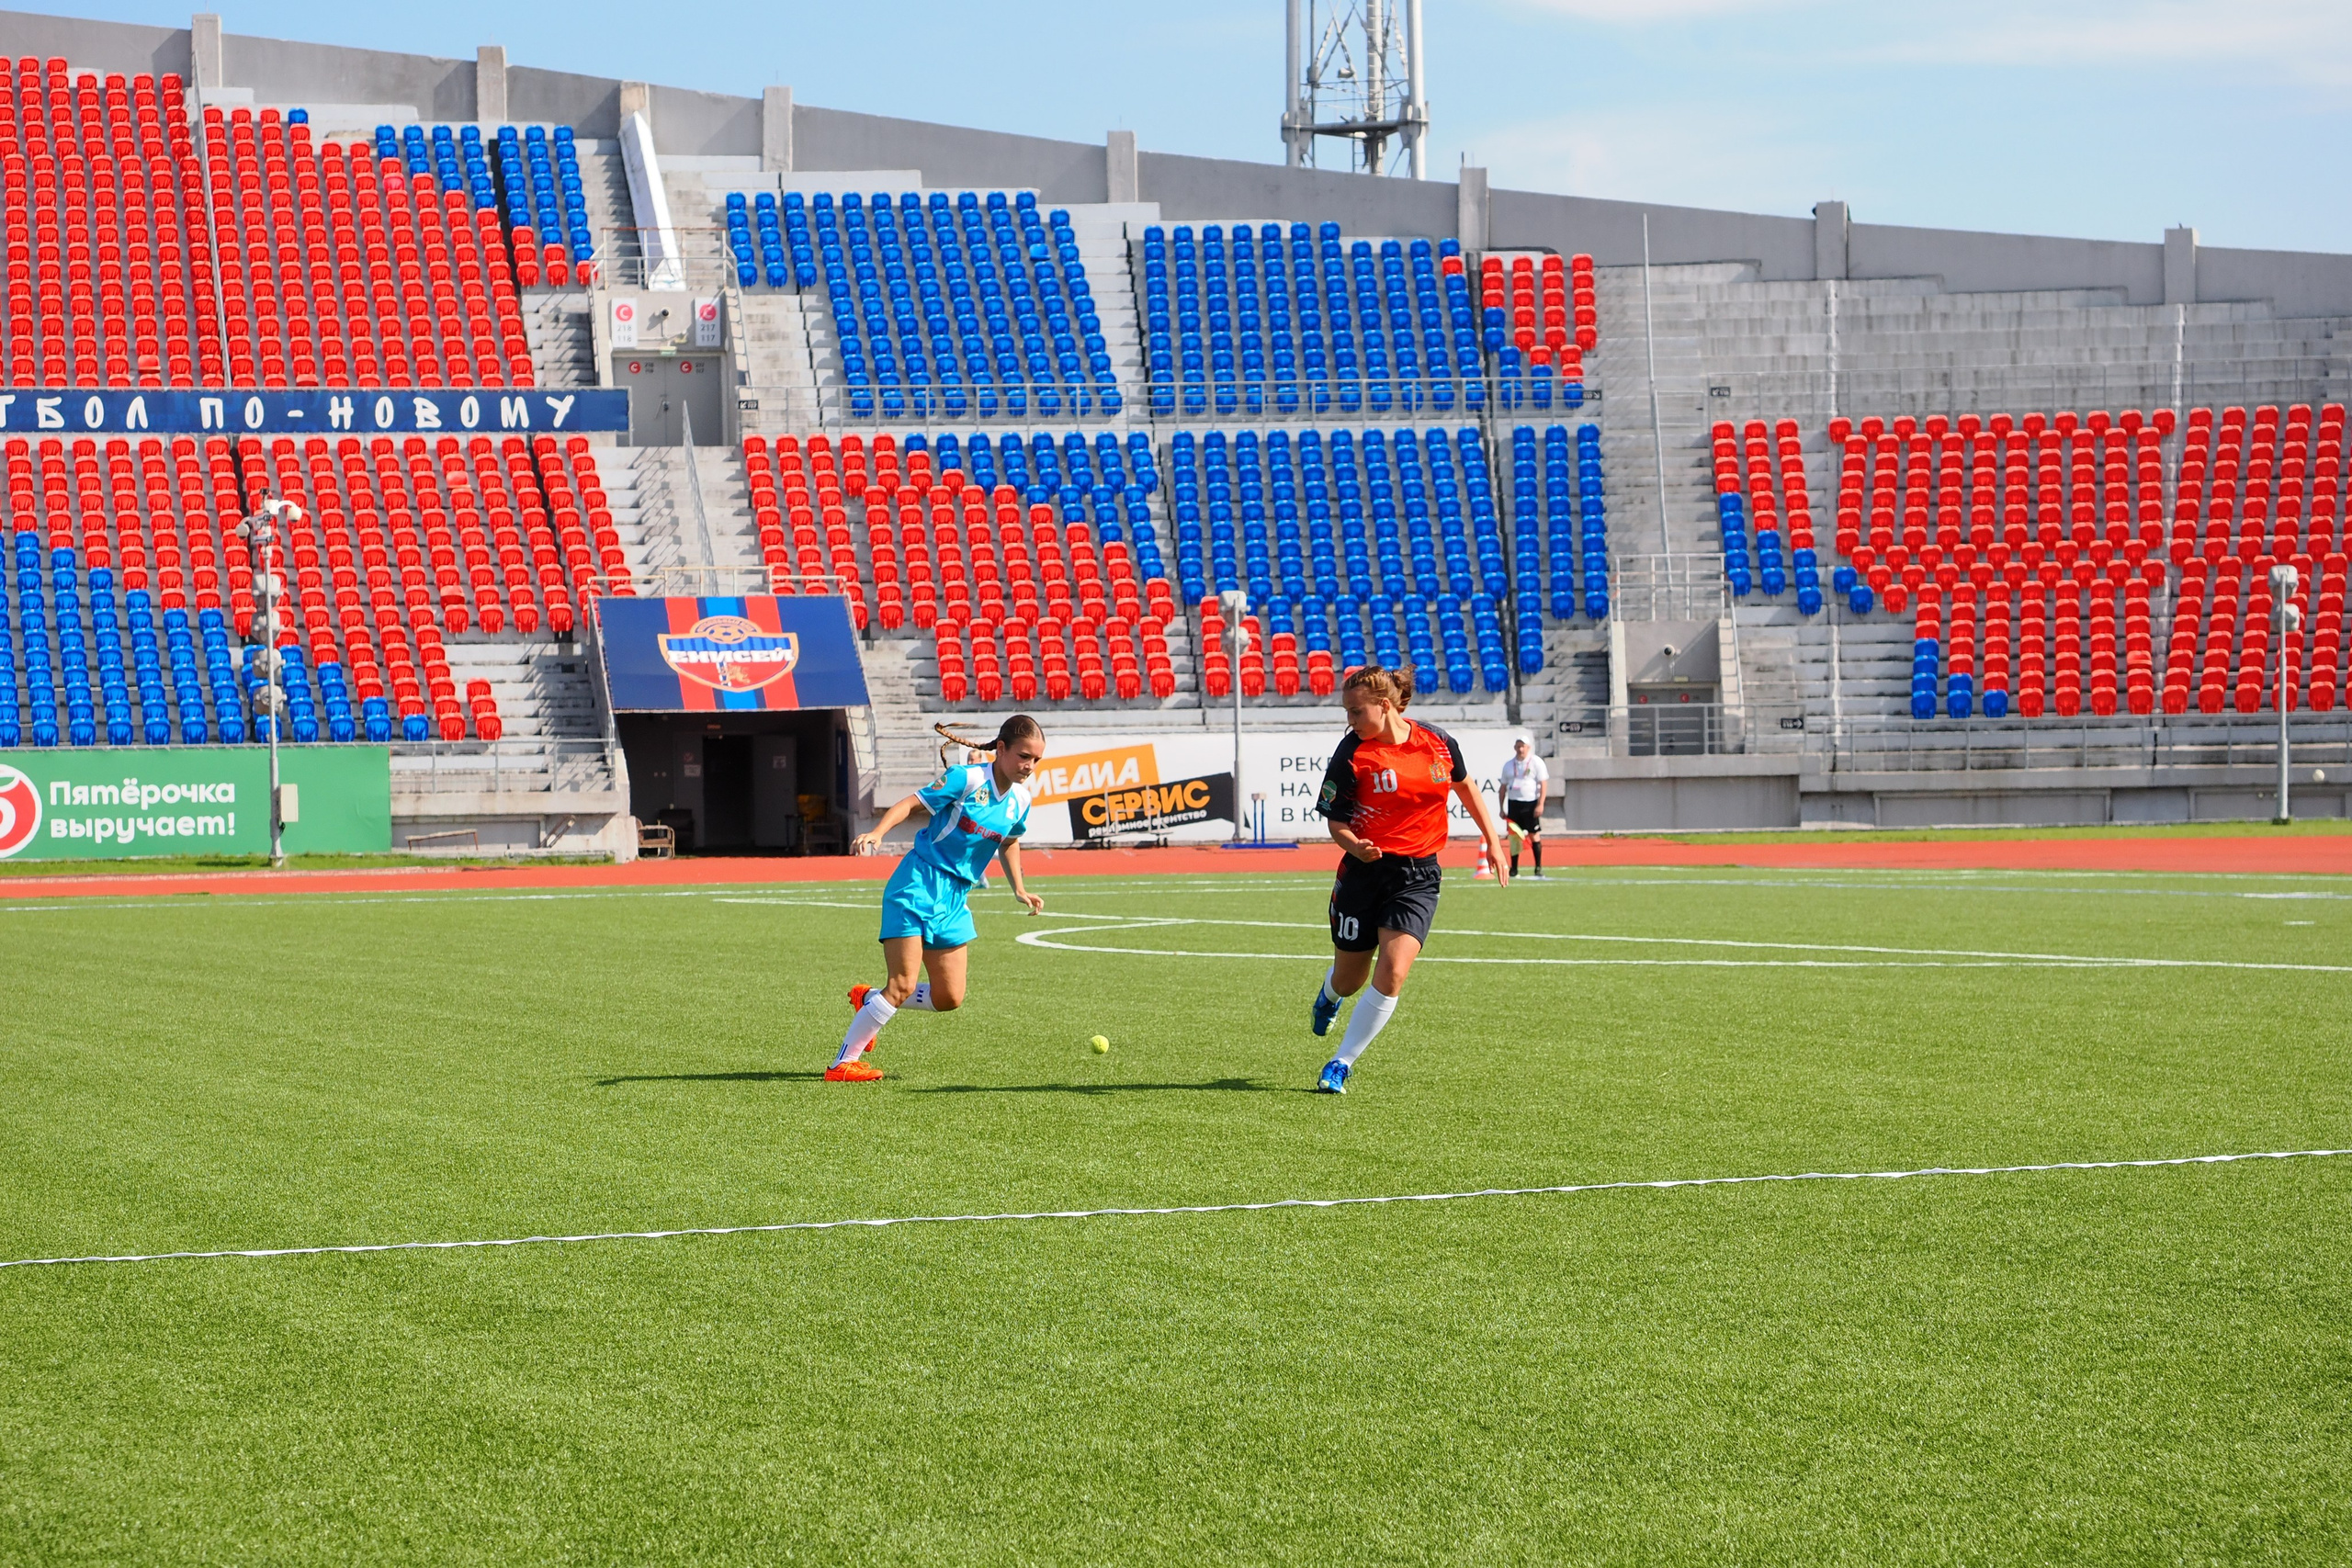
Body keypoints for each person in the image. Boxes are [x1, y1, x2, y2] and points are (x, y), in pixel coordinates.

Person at [1306, 665, 1510, 1094]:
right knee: (1349, 979)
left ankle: (1341, 1062)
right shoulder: (1351, 754)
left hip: (1418, 876)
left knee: (1394, 972)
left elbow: (1466, 786)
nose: (1351, 721)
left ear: (1385, 706)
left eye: (1357, 712)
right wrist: (1356, 846)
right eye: (1347, 712)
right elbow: (1336, 823)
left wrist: (1493, 840)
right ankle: (1328, 996)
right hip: (1363, 873)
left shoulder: (1436, 741)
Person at [826, 716, 1047, 1083]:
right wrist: (878, 832)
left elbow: (1009, 841)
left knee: (949, 998)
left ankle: (870, 999)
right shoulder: (966, 778)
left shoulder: (1021, 801)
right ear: (1002, 749)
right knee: (902, 984)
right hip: (917, 885)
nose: (1030, 766)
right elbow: (910, 804)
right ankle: (842, 1064)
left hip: (955, 899)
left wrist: (1019, 889)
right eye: (1025, 756)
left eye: (1037, 760)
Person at [1498, 737, 1549, 878]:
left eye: (1523, 746)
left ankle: (1538, 867)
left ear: (1528, 748)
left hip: (1531, 803)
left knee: (1534, 835)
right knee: (1514, 837)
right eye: (1518, 746)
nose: (1521, 749)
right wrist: (1501, 808)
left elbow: (1543, 783)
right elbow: (1503, 788)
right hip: (1514, 803)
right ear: (1515, 747)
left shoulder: (1536, 762)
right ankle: (1514, 868)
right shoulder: (1509, 765)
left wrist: (1540, 803)